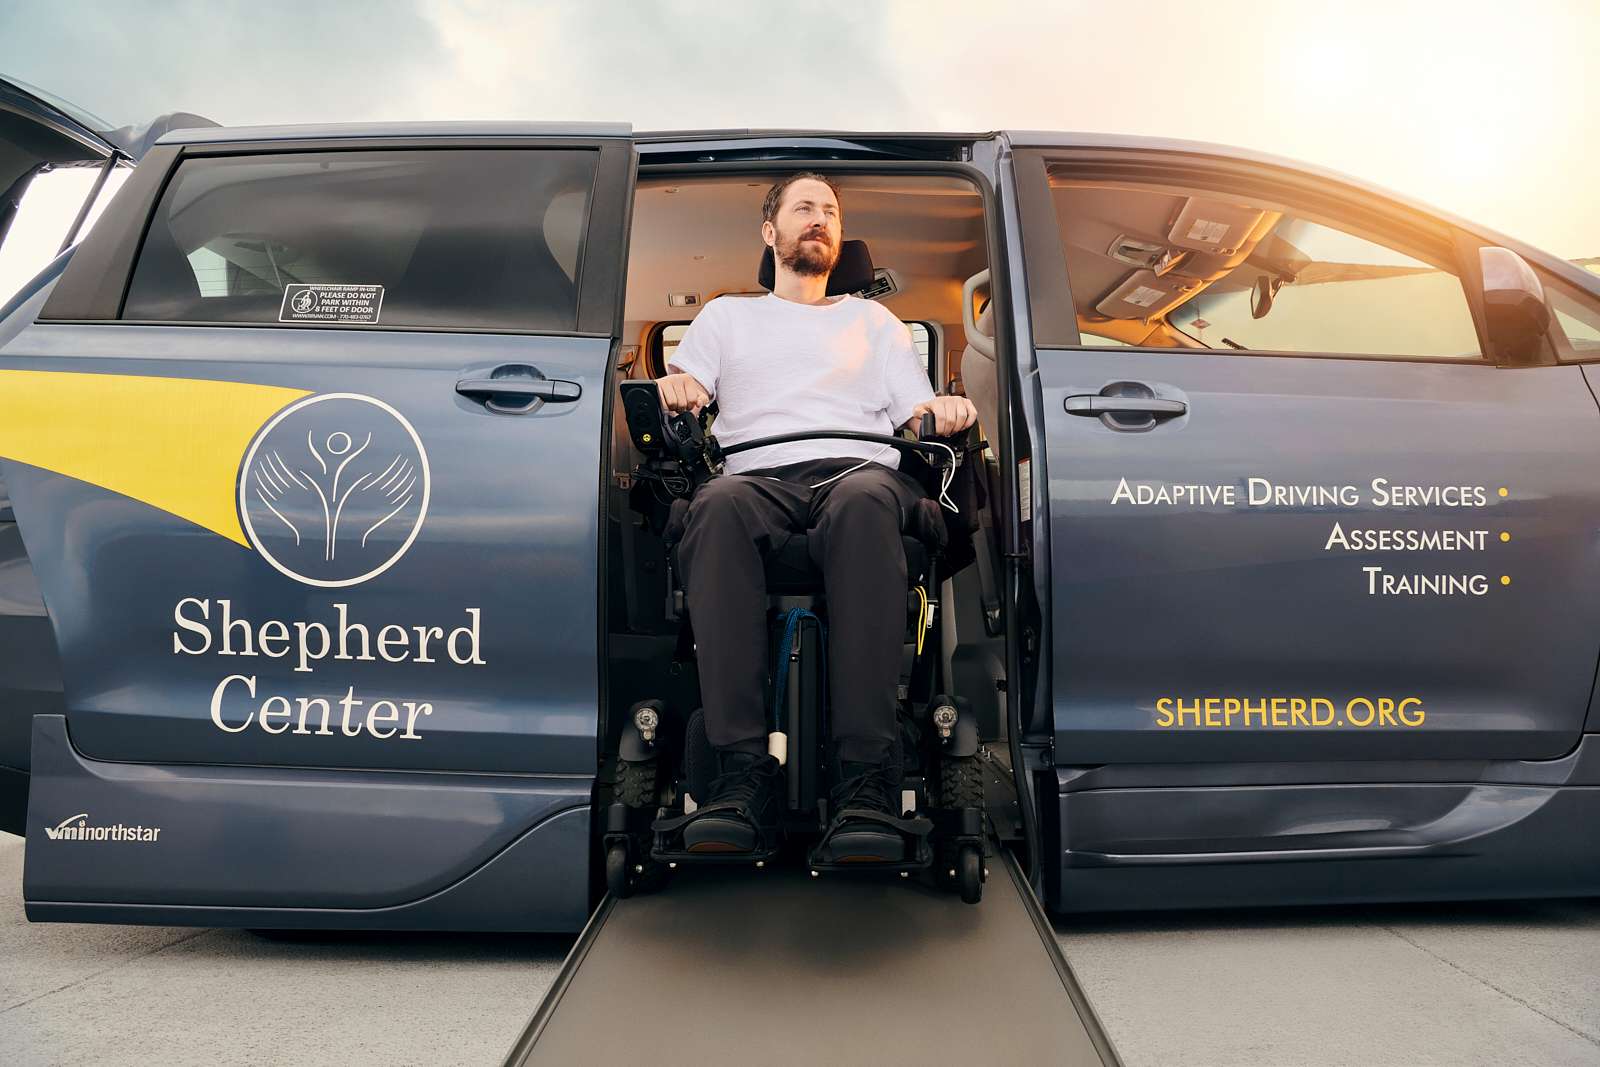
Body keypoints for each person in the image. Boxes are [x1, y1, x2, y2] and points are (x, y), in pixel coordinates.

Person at [657, 172, 977, 860]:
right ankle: (741, 777)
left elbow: (913, 415)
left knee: (867, 502)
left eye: (830, 210)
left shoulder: (874, 322)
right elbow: (680, 390)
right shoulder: (725, 317)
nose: (819, 218)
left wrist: (942, 411)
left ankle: (866, 780)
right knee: (712, 505)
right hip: (756, 478)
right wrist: (674, 385)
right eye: (804, 207)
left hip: (857, 475)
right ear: (770, 232)